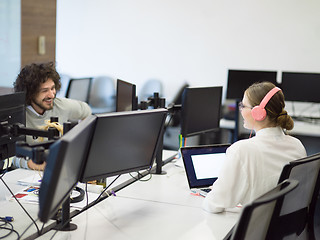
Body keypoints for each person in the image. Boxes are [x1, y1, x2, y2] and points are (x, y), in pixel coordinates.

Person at [202, 81, 307, 213]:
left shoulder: (241, 151)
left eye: (243, 106)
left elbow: (214, 205)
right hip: (286, 227)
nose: (240, 110)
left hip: (254, 230)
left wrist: (215, 192)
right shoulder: (297, 145)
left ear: (258, 113)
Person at [12, 62, 92, 170]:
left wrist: (79, 142)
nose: (51, 95)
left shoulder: (62, 106)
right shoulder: (17, 115)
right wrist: (29, 164)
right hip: (26, 174)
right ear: (30, 93)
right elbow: (9, 157)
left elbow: (86, 112)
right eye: (44, 91)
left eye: (53, 88)